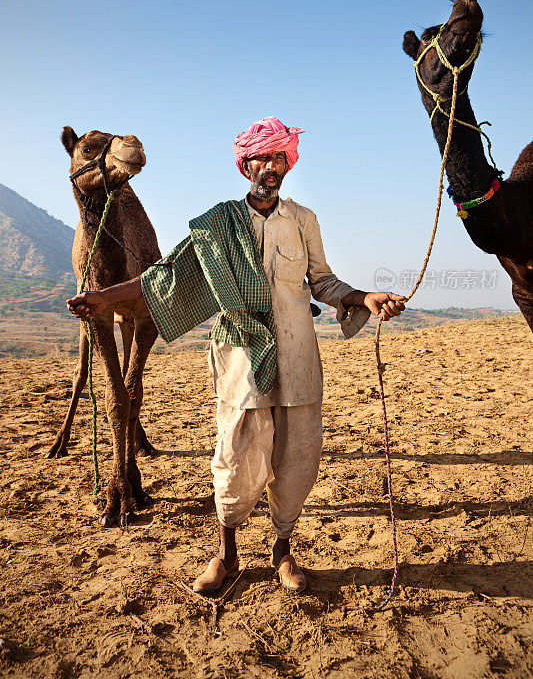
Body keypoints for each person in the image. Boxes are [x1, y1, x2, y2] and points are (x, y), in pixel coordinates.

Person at [67, 116, 405, 595]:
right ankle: (226, 556)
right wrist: (104, 298)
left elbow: (324, 282)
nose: (271, 166)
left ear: (288, 164)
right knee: (234, 457)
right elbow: (165, 277)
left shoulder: (303, 221)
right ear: (245, 164)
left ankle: (282, 552)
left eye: (278, 158)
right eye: (261, 158)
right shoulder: (218, 224)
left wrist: (364, 297)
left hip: (296, 356)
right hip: (241, 359)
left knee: (295, 461)